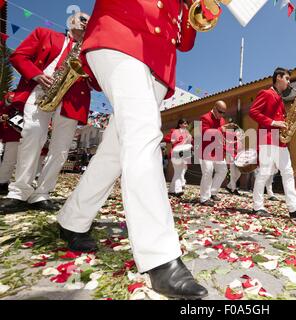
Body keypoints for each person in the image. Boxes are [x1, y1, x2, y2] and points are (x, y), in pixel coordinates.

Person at [56, 0, 207, 299]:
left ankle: (72, 219)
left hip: (159, 62)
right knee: (143, 133)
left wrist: (202, 5)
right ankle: (160, 258)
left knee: (115, 150)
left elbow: (186, 41)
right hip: (119, 34)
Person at [0, 12, 96, 213]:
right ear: (71, 21)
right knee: (32, 136)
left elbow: (97, 83)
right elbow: (18, 56)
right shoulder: (43, 33)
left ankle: (42, 193)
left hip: (73, 99)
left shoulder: (90, 51)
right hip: (40, 91)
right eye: (83, 19)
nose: (87, 24)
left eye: (90, 21)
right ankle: (19, 192)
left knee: (60, 149)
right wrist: (36, 75)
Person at [249, 67, 296, 220]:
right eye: (287, 79)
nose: (288, 82)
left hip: (280, 141)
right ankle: (257, 206)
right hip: (267, 138)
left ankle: (295, 209)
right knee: (264, 173)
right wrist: (274, 122)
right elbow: (253, 112)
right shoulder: (266, 93)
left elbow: (280, 119)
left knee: (288, 172)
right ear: (278, 77)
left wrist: (286, 124)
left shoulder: (279, 98)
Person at [199, 100, 229, 206]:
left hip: (218, 150)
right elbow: (204, 133)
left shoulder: (222, 120)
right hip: (205, 149)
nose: (222, 115)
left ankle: (212, 192)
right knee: (208, 172)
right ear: (215, 108)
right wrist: (220, 130)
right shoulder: (205, 117)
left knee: (223, 170)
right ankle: (204, 198)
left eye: (224, 113)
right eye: (220, 112)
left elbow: (222, 135)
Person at [163, 118, 192, 197]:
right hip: (176, 153)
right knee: (178, 172)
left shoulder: (188, 133)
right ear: (180, 124)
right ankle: (178, 190)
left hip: (184, 154)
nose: (186, 125)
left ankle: (172, 190)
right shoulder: (175, 132)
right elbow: (168, 139)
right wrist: (177, 141)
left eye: (187, 123)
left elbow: (190, 143)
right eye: (184, 123)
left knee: (178, 172)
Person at [0, 92, 21, 195]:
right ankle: (2, 182)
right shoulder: (10, 100)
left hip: (28, 134)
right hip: (13, 134)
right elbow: (6, 105)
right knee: (9, 159)